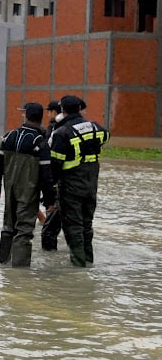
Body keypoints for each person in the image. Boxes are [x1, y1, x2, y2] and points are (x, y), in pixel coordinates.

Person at [0, 102, 57, 267]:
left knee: (8, 226)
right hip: (29, 191)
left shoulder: (8, 136)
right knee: (24, 230)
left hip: (10, 189)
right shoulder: (40, 143)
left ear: (26, 116)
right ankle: (19, 273)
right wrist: (49, 201)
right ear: (40, 119)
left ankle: (3, 264)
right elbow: (46, 175)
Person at [49, 95, 109, 267]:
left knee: (73, 227)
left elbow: (55, 166)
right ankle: (89, 261)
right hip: (91, 184)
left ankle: (79, 266)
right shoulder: (96, 127)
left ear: (62, 110)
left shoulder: (62, 133)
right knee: (86, 225)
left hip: (71, 187)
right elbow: (106, 136)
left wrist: (51, 189)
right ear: (79, 109)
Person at [41, 99, 63, 251]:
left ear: (54, 112)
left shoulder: (54, 128)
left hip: (52, 171)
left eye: (49, 111)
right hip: (60, 174)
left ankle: (47, 220)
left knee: (51, 200)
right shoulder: (59, 127)